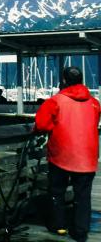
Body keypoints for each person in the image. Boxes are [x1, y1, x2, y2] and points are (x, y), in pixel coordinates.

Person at [34, 66, 100, 241]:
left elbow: (41, 125)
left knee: (57, 191)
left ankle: (59, 225)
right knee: (83, 195)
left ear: (63, 81)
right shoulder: (94, 103)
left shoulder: (55, 101)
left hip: (61, 155)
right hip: (87, 156)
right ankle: (80, 231)